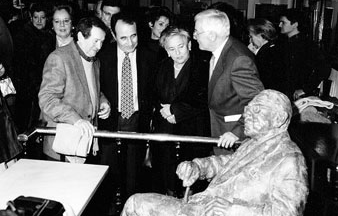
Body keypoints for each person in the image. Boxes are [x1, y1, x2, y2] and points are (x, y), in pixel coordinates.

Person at [121, 89, 309, 216]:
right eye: (248, 109)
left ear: (279, 118)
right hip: (202, 206)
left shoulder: (290, 159)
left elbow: (288, 212)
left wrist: (233, 210)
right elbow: (227, 163)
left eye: (257, 110)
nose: (247, 115)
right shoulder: (255, 142)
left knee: (136, 204)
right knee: (136, 203)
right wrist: (198, 167)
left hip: (220, 212)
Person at [97, 11, 155, 203]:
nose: (130, 42)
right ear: (113, 35)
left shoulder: (150, 56)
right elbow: (94, 87)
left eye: (133, 35)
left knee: (134, 175)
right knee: (107, 174)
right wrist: (102, 99)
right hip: (111, 120)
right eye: (123, 37)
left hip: (138, 120)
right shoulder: (102, 57)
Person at [38, 16, 111, 161]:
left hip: (85, 143)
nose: (99, 46)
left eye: (102, 41)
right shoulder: (59, 58)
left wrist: (103, 101)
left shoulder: (95, 60)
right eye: (95, 41)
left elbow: (90, 88)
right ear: (80, 37)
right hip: (61, 146)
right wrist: (76, 120)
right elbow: (47, 99)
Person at [193, 9, 264, 155]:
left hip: (233, 141)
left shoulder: (238, 59)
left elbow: (258, 103)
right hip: (221, 133)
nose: (194, 36)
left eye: (197, 32)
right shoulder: (222, 52)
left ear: (212, 35)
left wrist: (237, 133)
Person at [151, 26, 211, 196]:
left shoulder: (202, 66)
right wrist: (163, 111)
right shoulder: (162, 66)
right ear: (166, 51)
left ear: (189, 45)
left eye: (181, 46)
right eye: (171, 49)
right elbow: (152, 94)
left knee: (190, 178)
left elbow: (203, 98)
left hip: (192, 129)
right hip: (166, 129)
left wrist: (174, 110)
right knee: (167, 176)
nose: (177, 53)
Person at [12, 3, 52, 133]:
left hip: (43, 86)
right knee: (25, 122)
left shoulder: (50, 36)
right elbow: (19, 65)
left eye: (42, 18)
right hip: (27, 87)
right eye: (36, 17)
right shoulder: (23, 36)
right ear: (31, 17)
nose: (39, 21)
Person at [278, 8, 331, 100]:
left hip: (296, 95)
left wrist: (305, 89)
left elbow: (324, 68)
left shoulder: (307, 45)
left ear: (295, 24)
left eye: (283, 22)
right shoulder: (283, 43)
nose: (279, 25)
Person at [247, 18, 284, 91]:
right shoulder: (273, 48)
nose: (250, 41)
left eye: (251, 37)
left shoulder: (265, 54)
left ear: (261, 35)